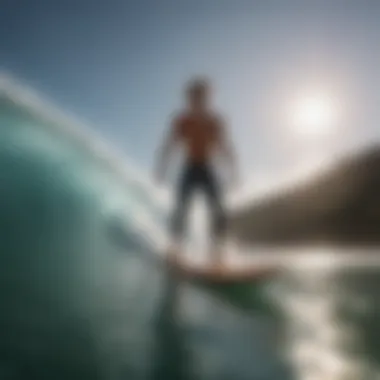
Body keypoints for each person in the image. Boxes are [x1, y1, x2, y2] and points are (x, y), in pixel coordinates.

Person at [154, 77, 238, 268]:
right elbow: (169, 145)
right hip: (190, 168)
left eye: (201, 97)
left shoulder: (216, 121)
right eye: (193, 97)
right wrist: (161, 168)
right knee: (181, 208)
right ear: (188, 99)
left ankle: (218, 253)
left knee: (218, 209)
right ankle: (175, 249)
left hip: (208, 168)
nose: (197, 101)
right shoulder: (182, 121)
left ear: (207, 98)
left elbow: (226, 147)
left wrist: (233, 171)